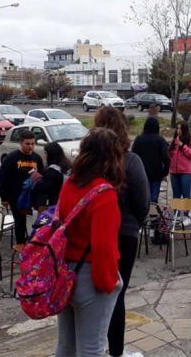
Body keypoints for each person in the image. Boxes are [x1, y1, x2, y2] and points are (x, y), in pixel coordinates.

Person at [54, 128, 124, 357]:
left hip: (64, 273)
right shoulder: (104, 193)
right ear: (111, 157)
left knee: (66, 345)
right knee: (92, 349)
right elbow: (104, 247)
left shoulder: (70, 183)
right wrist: (108, 283)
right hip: (91, 277)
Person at [93, 107, 149, 357]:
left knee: (95, 292)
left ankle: (94, 347)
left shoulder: (88, 163)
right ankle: (116, 351)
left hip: (93, 235)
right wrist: (133, 223)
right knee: (117, 294)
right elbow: (143, 203)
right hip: (124, 234)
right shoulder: (131, 161)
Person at [0, 130, 44, 244]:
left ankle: (35, 242)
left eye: (33, 143)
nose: (30, 146)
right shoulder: (11, 158)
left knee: (40, 220)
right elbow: (2, 178)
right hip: (16, 197)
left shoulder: (37, 158)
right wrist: (4, 197)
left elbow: (42, 176)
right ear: (21, 143)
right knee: (20, 222)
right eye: (27, 144)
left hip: (32, 196)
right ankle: (21, 245)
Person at [131, 117, 170, 203]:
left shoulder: (139, 139)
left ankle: (144, 214)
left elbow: (133, 155)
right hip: (156, 173)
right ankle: (153, 214)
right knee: (153, 199)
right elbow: (166, 157)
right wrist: (165, 172)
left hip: (141, 172)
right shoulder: (160, 140)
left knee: (143, 197)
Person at [168, 120, 191, 225]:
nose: (178, 130)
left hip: (186, 172)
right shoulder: (174, 140)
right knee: (176, 194)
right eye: (177, 128)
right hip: (174, 171)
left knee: (186, 194)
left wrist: (183, 145)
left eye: (180, 128)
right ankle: (176, 216)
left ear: (184, 130)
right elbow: (170, 155)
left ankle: (188, 216)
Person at [31, 141, 71, 212]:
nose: (45, 156)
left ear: (51, 154)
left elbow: (44, 187)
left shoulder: (52, 170)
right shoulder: (68, 165)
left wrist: (36, 177)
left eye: (46, 153)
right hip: (67, 201)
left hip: (54, 204)